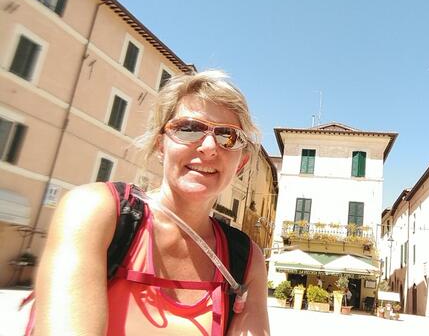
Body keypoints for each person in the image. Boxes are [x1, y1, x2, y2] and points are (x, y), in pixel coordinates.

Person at [32, 70, 270, 335]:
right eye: (189, 129)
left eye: (229, 136)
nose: (209, 146)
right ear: (161, 145)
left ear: (241, 163)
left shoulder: (246, 260)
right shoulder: (95, 212)